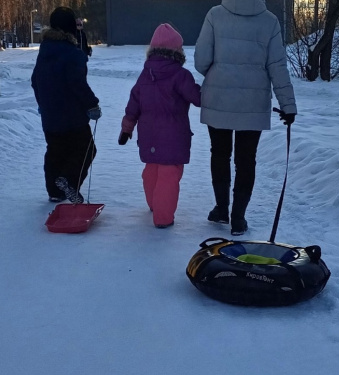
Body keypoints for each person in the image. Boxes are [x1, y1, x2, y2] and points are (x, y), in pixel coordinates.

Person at [194, 0, 297, 236]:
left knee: (219, 153)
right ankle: (238, 219)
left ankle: (221, 209)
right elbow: (277, 65)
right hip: (253, 102)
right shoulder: (269, 20)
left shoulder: (215, 15)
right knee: (246, 159)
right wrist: (288, 105)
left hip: (219, 97)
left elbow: (201, 60)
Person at [119, 23, 201, 228]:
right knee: (169, 175)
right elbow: (198, 98)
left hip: (148, 134)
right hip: (173, 135)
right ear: (175, 50)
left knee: (152, 170)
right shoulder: (181, 75)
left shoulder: (145, 74)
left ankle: (154, 204)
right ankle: (163, 218)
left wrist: (126, 129)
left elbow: (133, 105)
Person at [31, 7, 101, 204]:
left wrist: (42, 103)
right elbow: (77, 84)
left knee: (55, 150)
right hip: (72, 116)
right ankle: (69, 182)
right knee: (86, 148)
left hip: (50, 116)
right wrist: (92, 104)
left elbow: (35, 80)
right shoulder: (73, 54)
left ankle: (55, 191)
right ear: (71, 29)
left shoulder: (44, 51)